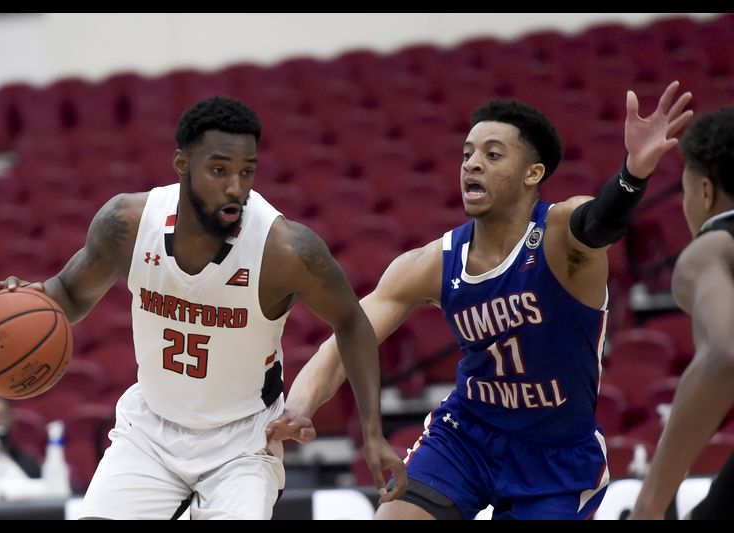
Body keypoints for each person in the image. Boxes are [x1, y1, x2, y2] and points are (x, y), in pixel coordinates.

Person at [268, 81, 693, 519]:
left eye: (492, 155)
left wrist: (633, 175)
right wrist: (298, 406)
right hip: (467, 435)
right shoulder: (433, 261)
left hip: (556, 456)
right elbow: (349, 337)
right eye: (468, 153)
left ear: (533, 173)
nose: (472, 164)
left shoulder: (561, 235)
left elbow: (601, 222)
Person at [0, 97, 406, 519]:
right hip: (150, 428)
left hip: (243, 440)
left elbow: (352, 322)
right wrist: (23, 297)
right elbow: (68, 293)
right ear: (182, 165)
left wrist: (371, 430)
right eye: (219, 170)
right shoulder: (128, 223)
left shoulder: (287, 249)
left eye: (246, 171)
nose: (235, 187)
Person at [629, 107, 734, 520]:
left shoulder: (712, 248)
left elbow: (724, 354)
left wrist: (650, 502)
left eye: (686, 192)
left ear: (705, 192)